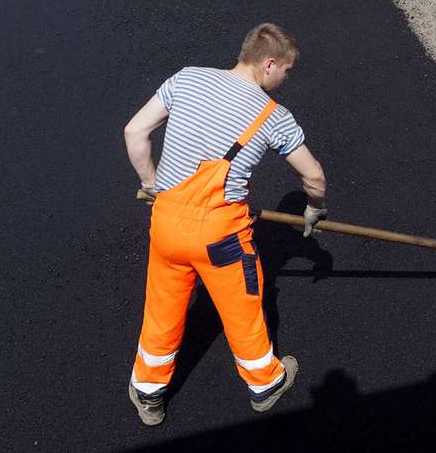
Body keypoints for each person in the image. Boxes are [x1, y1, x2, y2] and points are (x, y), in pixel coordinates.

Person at [123, 23, 328, 426]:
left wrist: (151, 185)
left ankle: (148, 393)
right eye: (286, 70)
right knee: (243, 308)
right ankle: (265, 383)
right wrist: (314, 209)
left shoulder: (187, 78)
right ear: (269, 64)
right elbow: (314, 176)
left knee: (163, 308)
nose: (285, 79)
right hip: (221, 238)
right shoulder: (273, 115)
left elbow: (135, 131)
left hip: (165, 222)